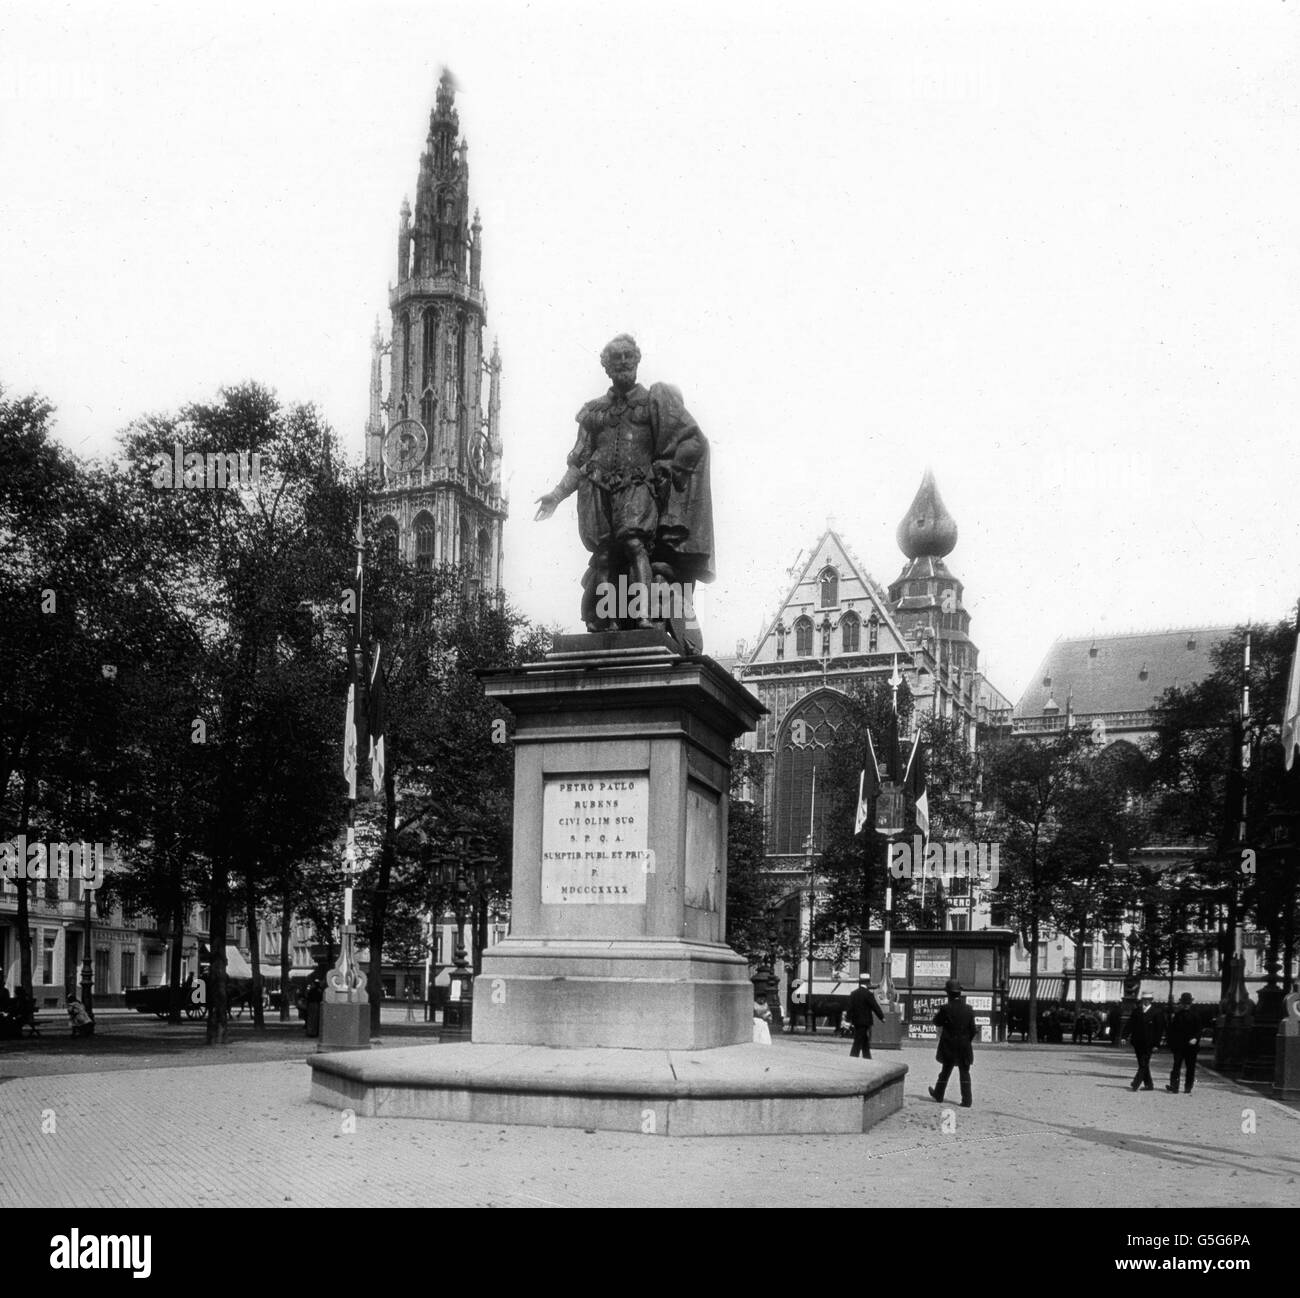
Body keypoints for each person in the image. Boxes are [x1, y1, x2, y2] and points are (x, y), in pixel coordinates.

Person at [535, 335, 714, 640]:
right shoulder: (594, 412)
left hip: (638, 485)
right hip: (599, 491)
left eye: (628, 356)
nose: (622, 362)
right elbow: (578, 461)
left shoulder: (653, 401)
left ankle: (644, 615)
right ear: (605, 365)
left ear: (637, 359)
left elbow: (692, 439)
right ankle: (609, 622)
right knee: (605, 557)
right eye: (615, 357)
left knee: (634, 546)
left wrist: (669, 468)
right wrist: (556, 494)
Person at [929, 978, 977, 1108]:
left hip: (949, 1046)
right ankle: (967, 1100)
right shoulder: (969, 1009)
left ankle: (939, 1094)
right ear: (959, 993)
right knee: (965, 1073)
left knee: (945, 1070)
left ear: (948, 994)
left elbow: (936, 1021)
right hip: (964, 1046)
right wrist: (966, 1040)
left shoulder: (945, 1008)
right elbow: (973, 1030)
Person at [1125, 991, 1165, 1091]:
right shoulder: (1137, 1011)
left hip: (1150, 1043)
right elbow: (1130, 1024)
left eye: (1148, 1000)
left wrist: (1157, 1044)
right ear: (1142, 1000)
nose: (1146, 1001)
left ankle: (1135, 1083)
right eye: (1144, 999)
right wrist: (1124, 1036)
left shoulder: (1157, 1012)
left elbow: (1159, 1030)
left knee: (1144, 1063)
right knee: (1142, 1063)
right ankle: (1149, 1085)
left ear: (1151, 1000)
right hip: (1137, 1041)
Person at [1165, 992, 1201, 1094]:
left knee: (1190, 1067)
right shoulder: (1177, 1015)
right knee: (1176, 1066)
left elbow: (1199, 1030)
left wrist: (1195, 1038)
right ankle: (1174, 1086)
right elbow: (1172, 1030)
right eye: (1184, 1003)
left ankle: (1188, 1087)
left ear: (1191, 1003)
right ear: (1181, 1003)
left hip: (1191, 1046)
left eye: (1188, 1003)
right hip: (1179, 1045)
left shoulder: (1196, 1015)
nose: (1186, 1005)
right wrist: (1171, 1043)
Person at [845, 973, 885, 1059]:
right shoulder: (868, 994)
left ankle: (867, 1056)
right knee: (859, 1039)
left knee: (864, 1039)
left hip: (856, 1021)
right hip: (866, 1021)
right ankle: (853, 1056)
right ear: (868, 982)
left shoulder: (853, 993)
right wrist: (881, 1017)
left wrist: (848, 1020)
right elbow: (875, 1006)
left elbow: (850, 1008)